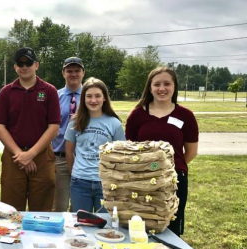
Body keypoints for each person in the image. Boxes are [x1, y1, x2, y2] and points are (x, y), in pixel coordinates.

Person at [125, 66, 199, 236]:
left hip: (174, 180)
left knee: (170, 228)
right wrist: (149, 170)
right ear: (150, 88)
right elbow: (130, 149)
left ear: (174, 86)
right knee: (141, 227)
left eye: (167, 84)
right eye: (157, 84)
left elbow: (191, 151)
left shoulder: (185, 116)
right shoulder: (137, 115)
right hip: (142, 180)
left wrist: (167, 169)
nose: (162, 88)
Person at [0, 47, 61, 211]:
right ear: (15, 67)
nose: (24, 66)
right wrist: (20, 154)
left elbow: (54, 126)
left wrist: (31, 154)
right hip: (13, 156)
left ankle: (41, 237)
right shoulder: (6, 92)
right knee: (11, 210)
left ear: (36, 65)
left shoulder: (49, 91)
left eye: (28, 62)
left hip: (42, 156)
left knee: (42, 208)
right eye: (20, 63)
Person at [65, 77, 125, 213]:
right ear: (83, 98)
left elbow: (121, 155)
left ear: (104, 98)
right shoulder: (74, 123)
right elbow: (69, 153)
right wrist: (76, 173)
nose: (93, 100)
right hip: (79, 183)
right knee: (80, 224)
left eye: (98, 96)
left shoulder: (114, 123)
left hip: (106, 183)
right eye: (89, 96)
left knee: (105, 226)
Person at [51, 57, 85, 212]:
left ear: (83, 73)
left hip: (85, 159)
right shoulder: (55, 96)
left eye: (77, 71)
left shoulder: (91, 96)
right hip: (61, 157)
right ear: (63, 73)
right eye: (69, 71)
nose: (73, 74)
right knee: (59, 206)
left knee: (80, 209)